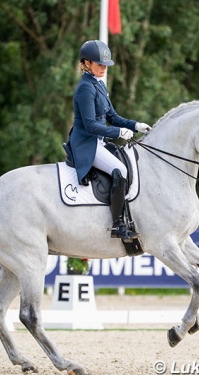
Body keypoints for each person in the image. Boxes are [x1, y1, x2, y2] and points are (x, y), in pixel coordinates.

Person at [64, 40, 151, 241]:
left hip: (99, 141)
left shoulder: (99, 85)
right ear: (86, 63)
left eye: (105, 65)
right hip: (87, 142)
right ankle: (118, 224)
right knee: (120, 171)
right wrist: (118, 133)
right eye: (99, 64)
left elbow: (113, 116)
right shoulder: (85, 88)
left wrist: (135, 125)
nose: (103, 68)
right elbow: (90, 126)